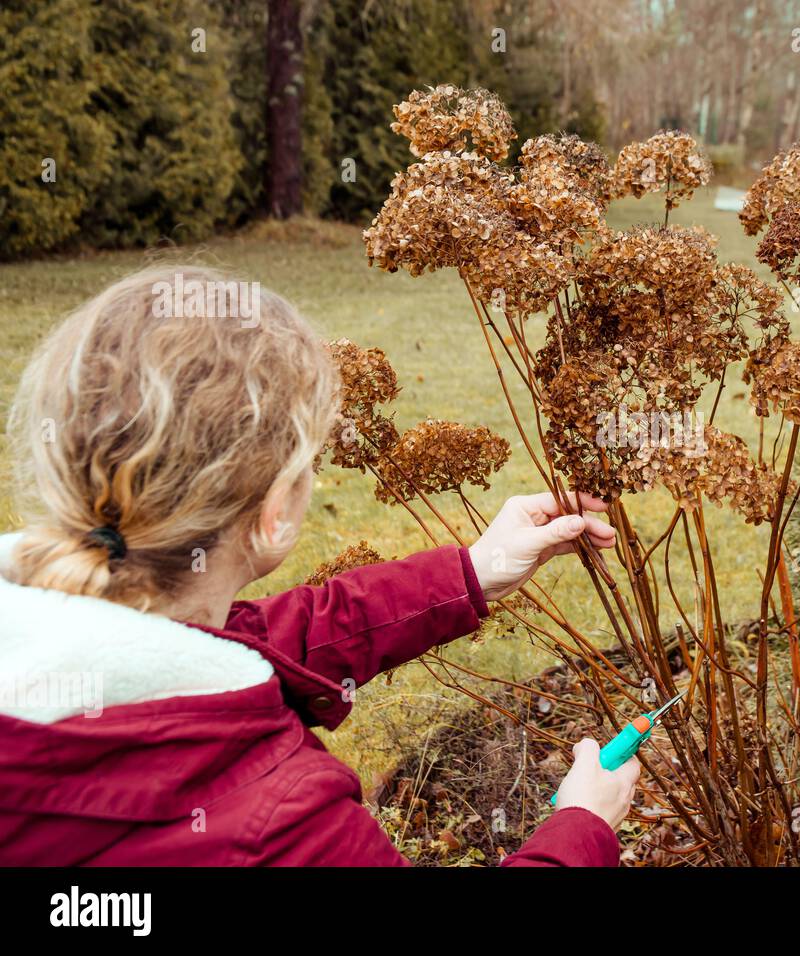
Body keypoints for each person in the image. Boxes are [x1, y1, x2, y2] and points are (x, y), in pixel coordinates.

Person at [0, 266, 639, 866]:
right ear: (275, 510)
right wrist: (583, 824)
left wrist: (470, 572)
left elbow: (252, 644)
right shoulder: (282, 825)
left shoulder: (52, 640)